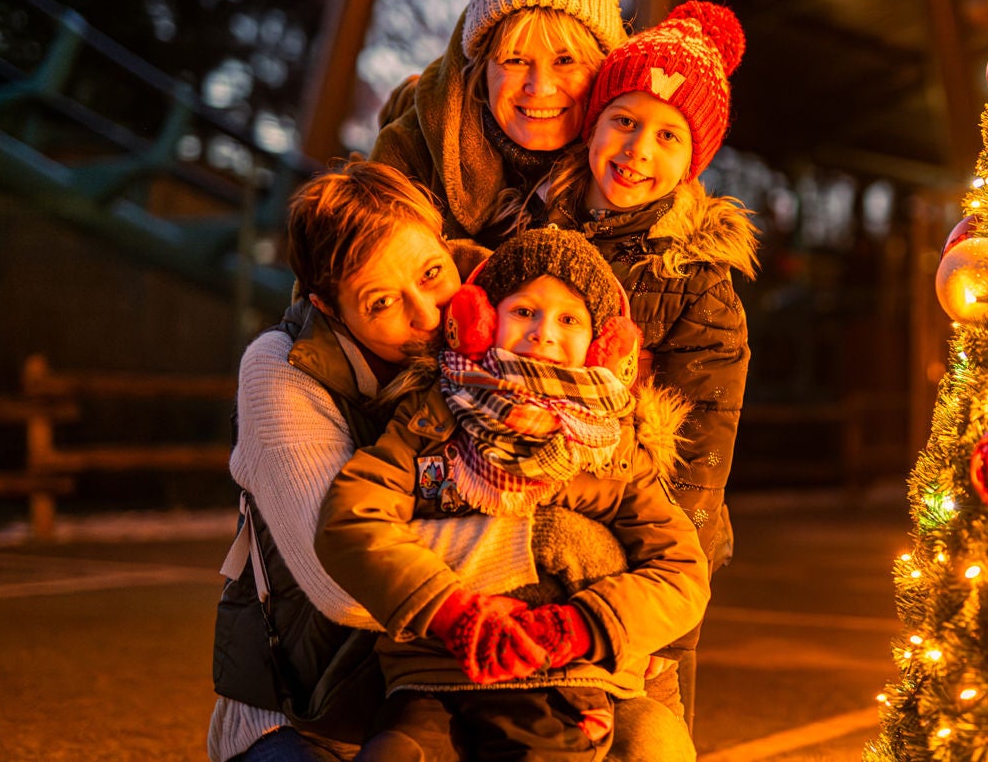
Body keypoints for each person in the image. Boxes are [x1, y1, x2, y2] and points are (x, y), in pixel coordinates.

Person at [207, 162, 693, 762]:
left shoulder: (512, 318)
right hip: (320, 706)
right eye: (380, 302)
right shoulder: (282, 371)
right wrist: (551, 543)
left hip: (540, 663)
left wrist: (589, 619)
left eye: (431, 273)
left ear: (444, 241)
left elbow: (668, 552)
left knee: (656, 744)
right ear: (329, 310)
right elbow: (338, 581)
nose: (426, 315)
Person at [315, 227, 709, 761]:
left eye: (569, 319)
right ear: (480, 321)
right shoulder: (431, 418)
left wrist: (579, 626)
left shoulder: (618, 445)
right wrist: (452, 612)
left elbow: (681, 571)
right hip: (439, 673)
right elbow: (352, 521)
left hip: (575, 676)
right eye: (524, 310)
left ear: (601, 343)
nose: (544, 333)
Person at [532, 0, 757, 722]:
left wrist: (667, 593)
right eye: (624, 121)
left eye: (667, 135)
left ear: (693, 159)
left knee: (643, 721)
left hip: (647, 538)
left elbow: (701, 455)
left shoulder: (698, 284)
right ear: (593, 124)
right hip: (534, 521)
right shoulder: (533, 235)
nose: (637, 151)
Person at [372, 0, 627, 264]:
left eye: (565, 60)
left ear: (603, 70)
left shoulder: (639, 167)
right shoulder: (412, 151)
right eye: (515, 59)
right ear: (480, 68)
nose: (539, 87)